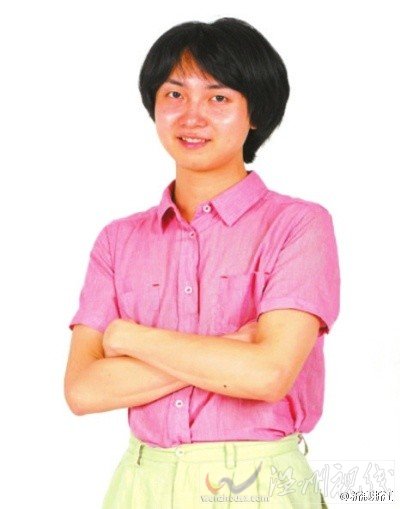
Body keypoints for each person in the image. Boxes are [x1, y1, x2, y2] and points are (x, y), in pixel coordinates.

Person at [64, 17, 340, 508]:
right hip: (141, 483)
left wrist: (129, 338)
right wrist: (232, 350)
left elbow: (267, 375)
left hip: (258, 483)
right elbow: (84, 391)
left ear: (256, 113)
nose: (192, 116)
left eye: (218, 98)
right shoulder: (118, 241)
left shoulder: (299, 225)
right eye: (175, 94)